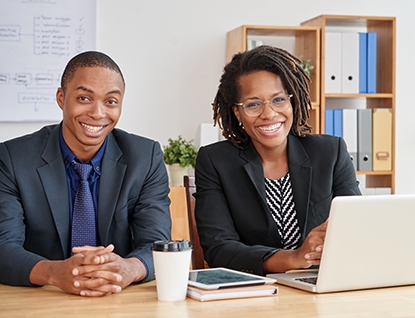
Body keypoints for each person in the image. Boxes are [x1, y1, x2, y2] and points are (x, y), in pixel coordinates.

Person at [0, 51, 171, 296]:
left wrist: (128, 268)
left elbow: (158, 245)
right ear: (61, 97)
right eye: (84, 98)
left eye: (110, 102)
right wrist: (54, 272)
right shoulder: (13, 158)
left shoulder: (145, 158)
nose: (98, 113)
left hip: (117, 298)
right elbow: (3, 247)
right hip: (42, 299)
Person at [194, 45, 361, 276]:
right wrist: (292, 258)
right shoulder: (215, 161)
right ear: (237, 112)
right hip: (253, 290)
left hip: (324, 282)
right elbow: (219, 249)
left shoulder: (330, 152)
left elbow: (357, 228)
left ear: (291, 101)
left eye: (278, 100)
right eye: (253, 104)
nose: (269, 114)